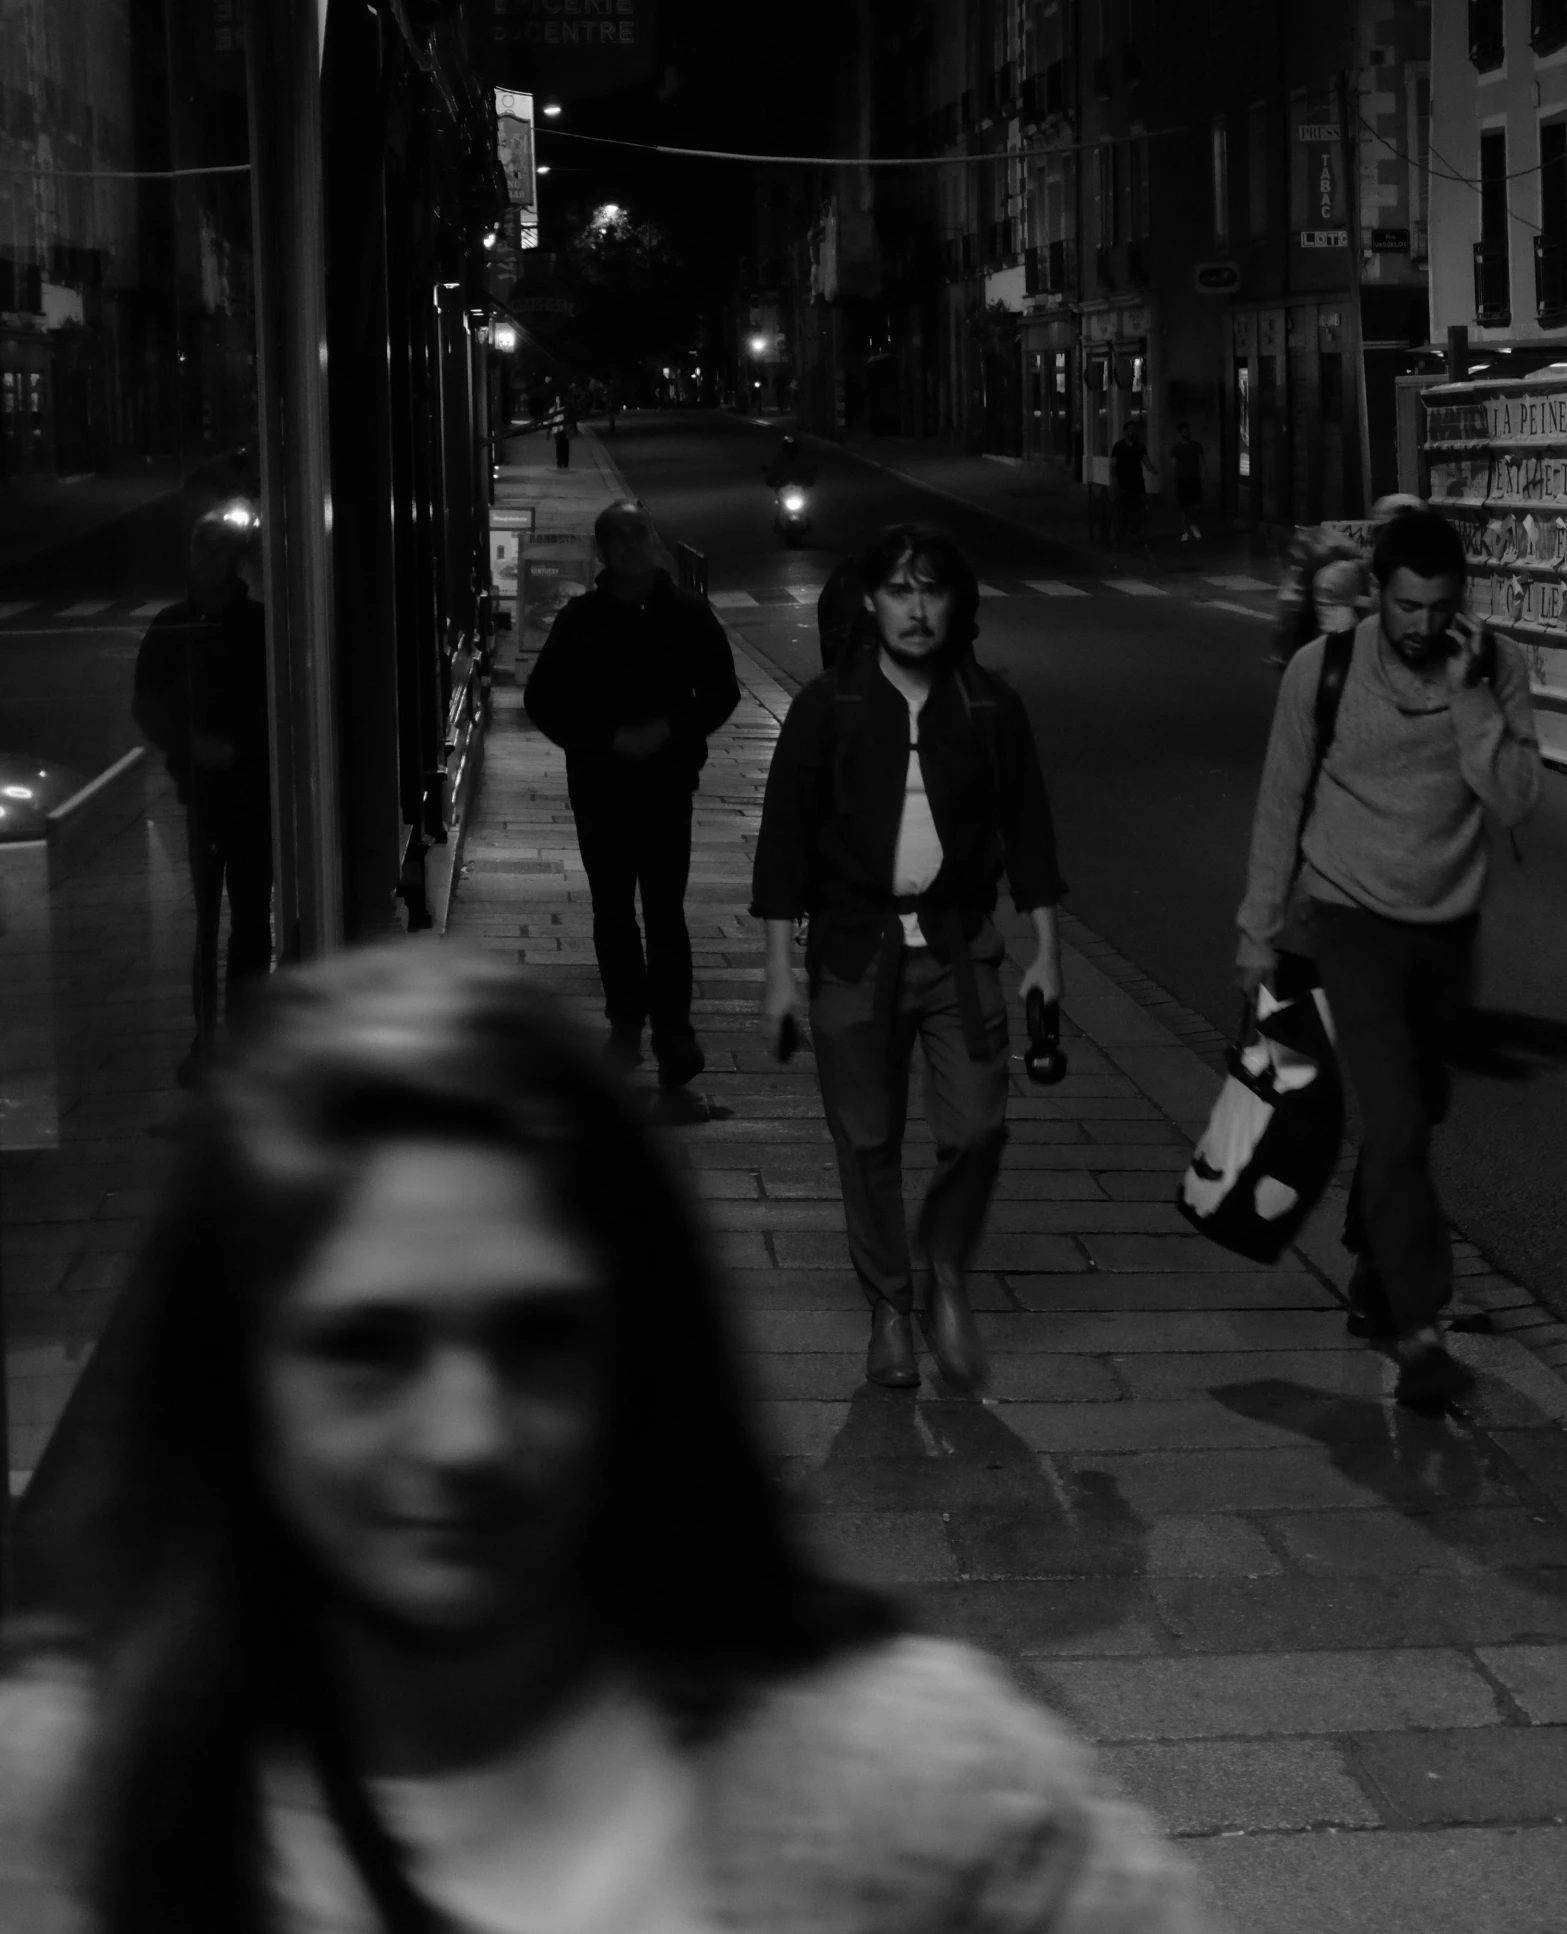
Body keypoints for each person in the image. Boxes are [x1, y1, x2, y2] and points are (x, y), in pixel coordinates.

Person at [0, 946, 1208, 1934]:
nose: (466, 1436)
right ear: (233, 1379)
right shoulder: (62, 1807)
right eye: (367, 1349)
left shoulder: (914, 1792)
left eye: (538, 1338)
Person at [1236, 507, 1541, 1410]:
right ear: (1378, 594)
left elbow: (1515, 799)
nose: (1421, 625)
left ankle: (1376, 1262)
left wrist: (1471, 693)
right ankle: (1417, 1330)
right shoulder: (1319, 671)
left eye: (1439, 607)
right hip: (1346, 919)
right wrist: (1255, 929)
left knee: (1422, 1106)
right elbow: (1280, 799)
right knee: (1395, 1122)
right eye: (1407, 607)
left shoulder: (1494, 667)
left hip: (1445, 926)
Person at [753, 524, 1065, 1391]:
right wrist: (779, 972)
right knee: (865, 1139)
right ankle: (891, 1309)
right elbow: (781, 847)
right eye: (899, 590)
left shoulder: (989, 705)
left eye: (930, 590)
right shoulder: (830, 706)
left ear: (954, 601)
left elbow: (1030, 831)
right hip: (854, 954)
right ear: (869, 602)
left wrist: (1046, 949)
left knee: (977, 1127)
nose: (916, 608)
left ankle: (947, 1268)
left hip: (960, 952)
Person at [524, 500, 739, 1095]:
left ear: (653, 539)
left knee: (665, 915)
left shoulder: (689, 616)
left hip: (668, 789)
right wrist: (607, 738)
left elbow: (722, 692)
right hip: (599, 790)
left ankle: (675, 1035)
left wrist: (672, 730)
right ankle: (625, 1025)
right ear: (601, 551)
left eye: (636, 533)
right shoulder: (580, 619)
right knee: (613, 913)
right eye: (614, 538)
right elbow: (543, 699)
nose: (627, 546)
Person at [132, 503, 272, 1086]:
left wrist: (235, 750)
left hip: (250, 791)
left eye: (215, 550)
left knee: (246, 923)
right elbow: (149, 706)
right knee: (209, 925)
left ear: (235, 559)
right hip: (203, 794)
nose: (205, 561)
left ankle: (240, 1038)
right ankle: (212, 1037)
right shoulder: (173, 625)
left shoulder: (258, 625)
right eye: (199, 549)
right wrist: (191, 747)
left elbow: (278, 705)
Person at [1108, 417, 1151, 551]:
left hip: (1137, 483)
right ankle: (1119, 537)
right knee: (1121, 512)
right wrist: (1113, 481)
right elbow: (1113, 465)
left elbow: (1146, 461)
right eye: (1130, 430)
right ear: (1125, 432)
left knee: (1138, 511)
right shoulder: (1118, 446)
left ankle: (1136, 534)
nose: (1132, 433)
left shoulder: (1140, 446)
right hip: (1123, 484)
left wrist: (1155, 471)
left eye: (1134, 430)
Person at [1169, 421, 1205, 543]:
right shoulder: (1177, 448)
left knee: (1196, 505)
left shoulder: (1197, 446)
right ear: (1180, 433)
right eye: (1184, 431)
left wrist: (1204, 476)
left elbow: (1201, 462)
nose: (1186, 433)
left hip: (1194, 478)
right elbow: (1174, 464)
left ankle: (1193, 525)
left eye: (1188, 431)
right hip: (1182, 479)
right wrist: (1174, 479)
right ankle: (1186, 531)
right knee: (1183, 507)